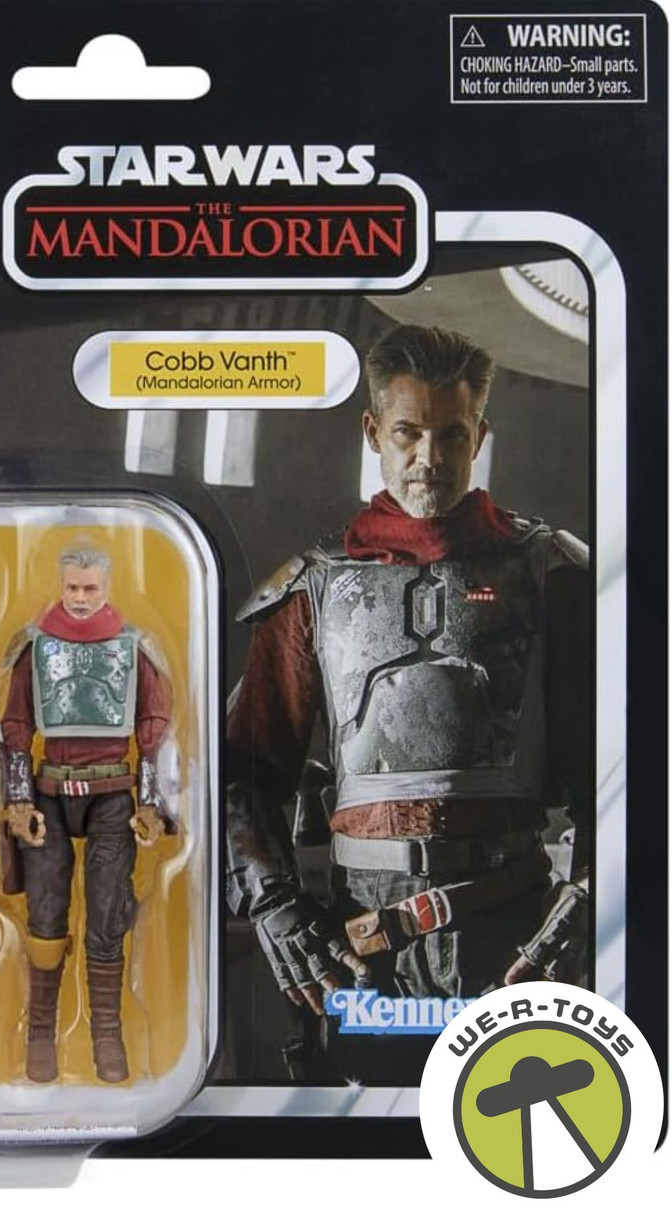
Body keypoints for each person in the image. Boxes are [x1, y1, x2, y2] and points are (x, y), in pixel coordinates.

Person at [226, 324, 591, 1028]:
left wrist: (581, 909)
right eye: (408, 433)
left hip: (517, 928)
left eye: (452, 435)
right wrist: (276, 909)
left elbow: (618, 777)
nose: (431, 458)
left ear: (480, 435)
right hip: (361, 939)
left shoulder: (550, 574)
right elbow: (243, 772)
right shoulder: (311, 590)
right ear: (373, 432)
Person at [0, 548, 173, 1083]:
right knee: (46, 916)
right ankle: (40, 1034)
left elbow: (153, 729)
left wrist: (150, 804)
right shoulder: (35, 646)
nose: (79, 598)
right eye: (72, 588)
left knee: (107, 916)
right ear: (61, 585)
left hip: (112, 795)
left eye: (89, 588)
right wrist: (19, 802)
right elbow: (16, 728)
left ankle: (107, 1035)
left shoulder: (133, 647)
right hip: (50, 792)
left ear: (106, 587)